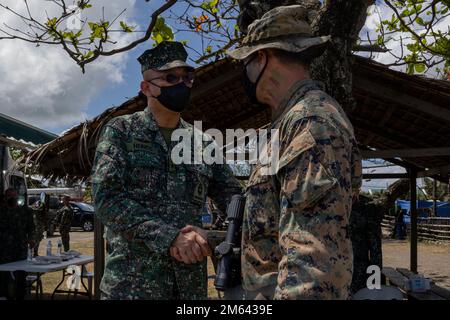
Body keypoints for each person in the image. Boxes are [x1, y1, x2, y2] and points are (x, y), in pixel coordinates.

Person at [227, 5, 362, 299]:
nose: (244, 72)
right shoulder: (288, 124)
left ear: (261, 58)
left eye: (246, 62)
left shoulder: (312, 122)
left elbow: (312, 262)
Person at [91, 41, 242, 300]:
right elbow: (107, 199)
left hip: (189, 289)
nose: (181, 84)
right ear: (146, 87)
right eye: (170, 77)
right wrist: (169, 237)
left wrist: (212, 236)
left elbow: (234, 200)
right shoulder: (121, 131)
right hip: (131, 286)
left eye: (187, 77)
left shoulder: (203, 143)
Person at [0, 188, 35, 299]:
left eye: (15, 196)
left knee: (20, 275)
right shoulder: (1, 212)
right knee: (4, 277)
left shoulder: (25, 211)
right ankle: (4, 296)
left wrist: (31, 238)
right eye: (10, 196)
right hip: (4, 250)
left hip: (20, 250)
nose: (13, 199)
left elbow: (31, 228)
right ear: (5, 198)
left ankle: (20, 296)